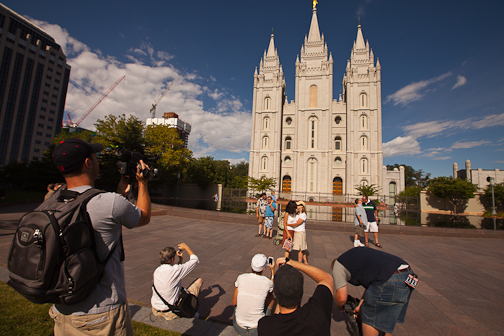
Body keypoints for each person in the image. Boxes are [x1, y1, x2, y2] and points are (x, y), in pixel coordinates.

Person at [48, 138, 151, 336]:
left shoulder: (52, 200)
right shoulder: (107, 202)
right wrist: (143, 183)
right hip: (101, 314)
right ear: (88, 163)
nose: (97, 161)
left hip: (62, 307)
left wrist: (120, 194)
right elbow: (143, 217)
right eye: (95, 158)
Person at [332, 248, 416, 336]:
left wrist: (340, 306)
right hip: (407, 274)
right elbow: (372, 286)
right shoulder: (352, 258)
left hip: (389, 277)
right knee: (387, 319)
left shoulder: (338, 265)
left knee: (370, 318)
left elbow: (341, 298)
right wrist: (360, 305)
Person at [257, 257, 334, 336]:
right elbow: (327, 278)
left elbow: (276, 318)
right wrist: (292, 262)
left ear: (277, 294)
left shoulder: (265, 326)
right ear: (301, 291)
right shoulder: (317, 314)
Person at [151, 243, 203, 320]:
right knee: (199, 281)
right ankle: (192, 312)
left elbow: (175, 273)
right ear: (172, 259)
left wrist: (180, 260)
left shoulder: (157, 271)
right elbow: (195, 260)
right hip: (169, 312)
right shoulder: (175, 270)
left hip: (155, 309)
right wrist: (186, 247)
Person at [232, 254, 275, 335]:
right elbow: (271, 289)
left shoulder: (241, 277)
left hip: (238, 325)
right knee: (271, 297)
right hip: (257, 327)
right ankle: (269, 322)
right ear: (264, 269)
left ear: (251, 266)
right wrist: (272, 271)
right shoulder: (267, 282)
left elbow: (234, 303)